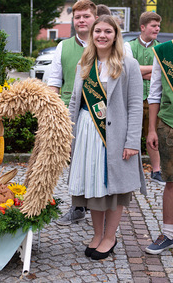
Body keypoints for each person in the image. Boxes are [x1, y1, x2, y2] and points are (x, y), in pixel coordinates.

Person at [68, 15, 146, 260]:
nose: (102, 35)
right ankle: (96, 235)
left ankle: (110, 237)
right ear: (92, 35)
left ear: (115, 35)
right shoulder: (85, 63)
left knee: (113, 190)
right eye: (97, 31)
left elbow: (135, 105)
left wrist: (132, 142)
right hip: (86, 133)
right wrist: (69, 137)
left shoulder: (128, 64)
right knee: (92, 187)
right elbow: (74, 102)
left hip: (114, 136)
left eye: (107, 31)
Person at [48, 0, 97, 226]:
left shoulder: (108, 43)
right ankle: (78, 208)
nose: (81, 20)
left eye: (86, 16)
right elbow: (54, 83)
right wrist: (55, 116)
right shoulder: (63, 47)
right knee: (75, 162)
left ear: (95, 17)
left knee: (98, 162)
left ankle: (99, 210)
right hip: (71, 112)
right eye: (77, 17)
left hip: (100, 114)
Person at [145, 0, 173, 255]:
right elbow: (155, 92)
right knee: (172, 181)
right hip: (171, 125)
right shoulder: (165, 52)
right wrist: (151, 129)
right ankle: (168, 234)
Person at [125, 11, 164, 185]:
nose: (157, 29)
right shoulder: (129, 46)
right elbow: (128, 69)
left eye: (158, 26)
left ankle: (156, 170)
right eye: (153, 26)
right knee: (130, 134)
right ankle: (129, 170)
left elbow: (163, 73)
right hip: (133, 98)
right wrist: (153, 69)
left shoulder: (162, 48)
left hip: (153, 99)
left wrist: (141, 71)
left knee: (152, 133)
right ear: (143, 27)